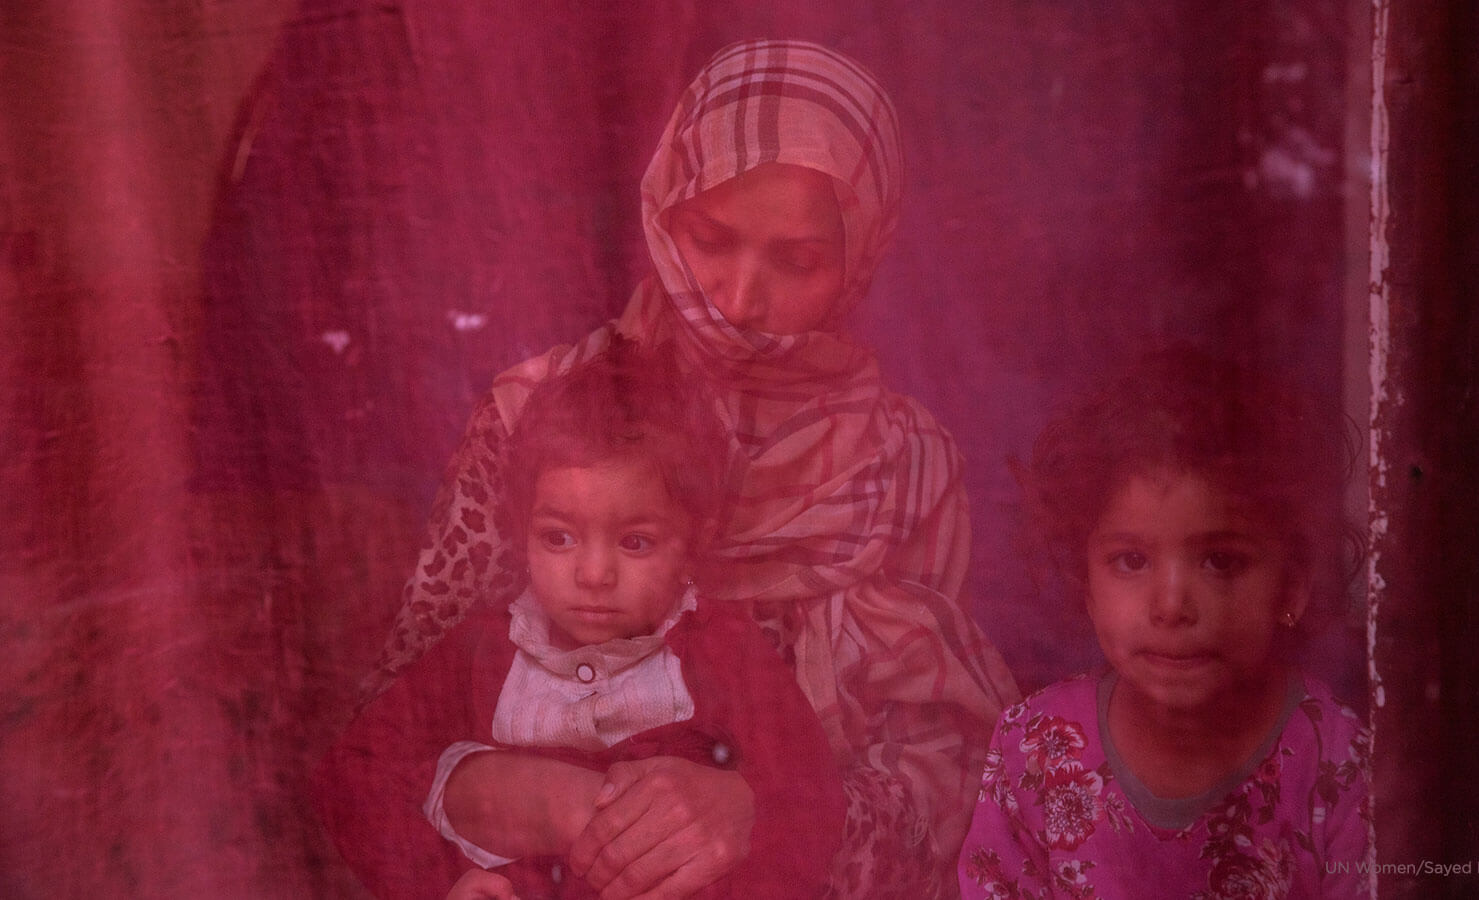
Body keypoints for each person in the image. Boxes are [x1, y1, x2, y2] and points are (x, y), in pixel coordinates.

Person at [357, 39, 1017, 899]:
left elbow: (950, 780)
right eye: (710, 240)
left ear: (864, 253)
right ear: (665, 210)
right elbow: (389, 737)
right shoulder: (542, 419)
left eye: (797, 261)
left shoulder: (904, 468)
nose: (740, 300)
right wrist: (490, 801)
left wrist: (762, 812)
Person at [315, 343, 845, 899]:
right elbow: (353, 774)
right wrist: (441, 885)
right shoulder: (481, 652)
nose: (593, 575)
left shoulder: (724, 649)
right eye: (559, 537)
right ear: (522, 529)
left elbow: (807, 801)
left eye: (635, 542)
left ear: (695, 540)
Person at [959, 346, 1372, 899]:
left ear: (1292, 585)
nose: (1172, 606)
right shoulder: (1033, 748)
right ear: (1087, 584)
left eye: (1220, 561)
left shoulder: (1341, 768)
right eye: (1130, 561)